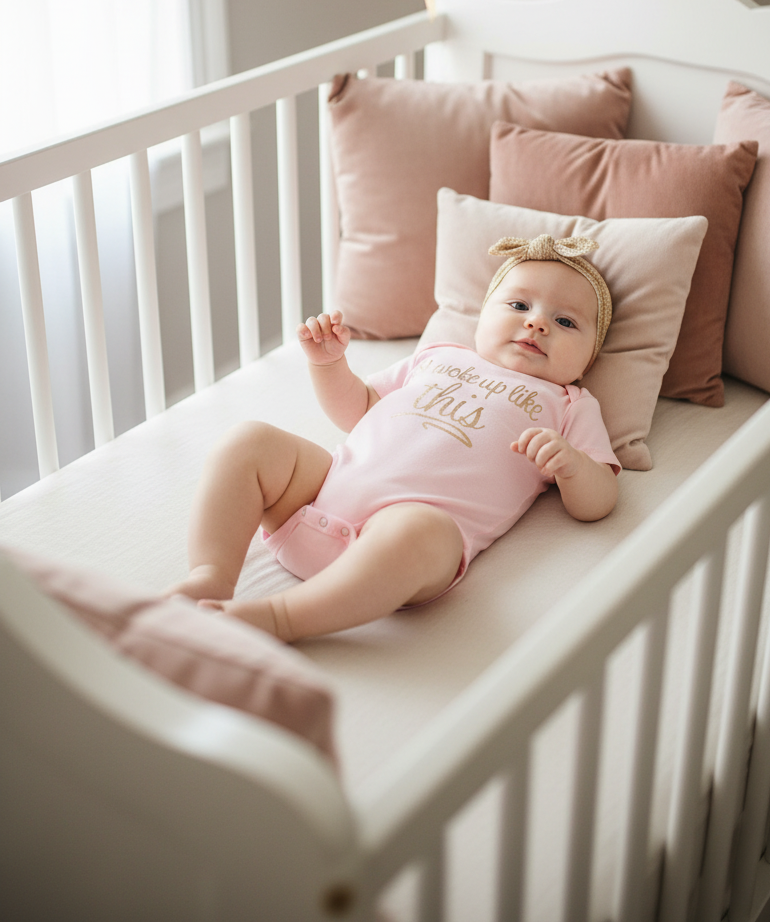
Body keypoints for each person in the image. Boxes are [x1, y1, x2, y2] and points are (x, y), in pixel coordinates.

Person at [169, 234, 620, 640]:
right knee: (250, 441)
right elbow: (359, 409)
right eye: (519, 306)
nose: (537, 323)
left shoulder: (568, 403)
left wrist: (574, 466)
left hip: (403, 544)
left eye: (565, 322)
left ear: (589, 358)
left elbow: (599, 498)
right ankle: (210, 575)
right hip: (313, 500)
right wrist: (329, 366)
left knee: (423, 529)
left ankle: (282, 617)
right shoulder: (438, 356)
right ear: (481, 317)